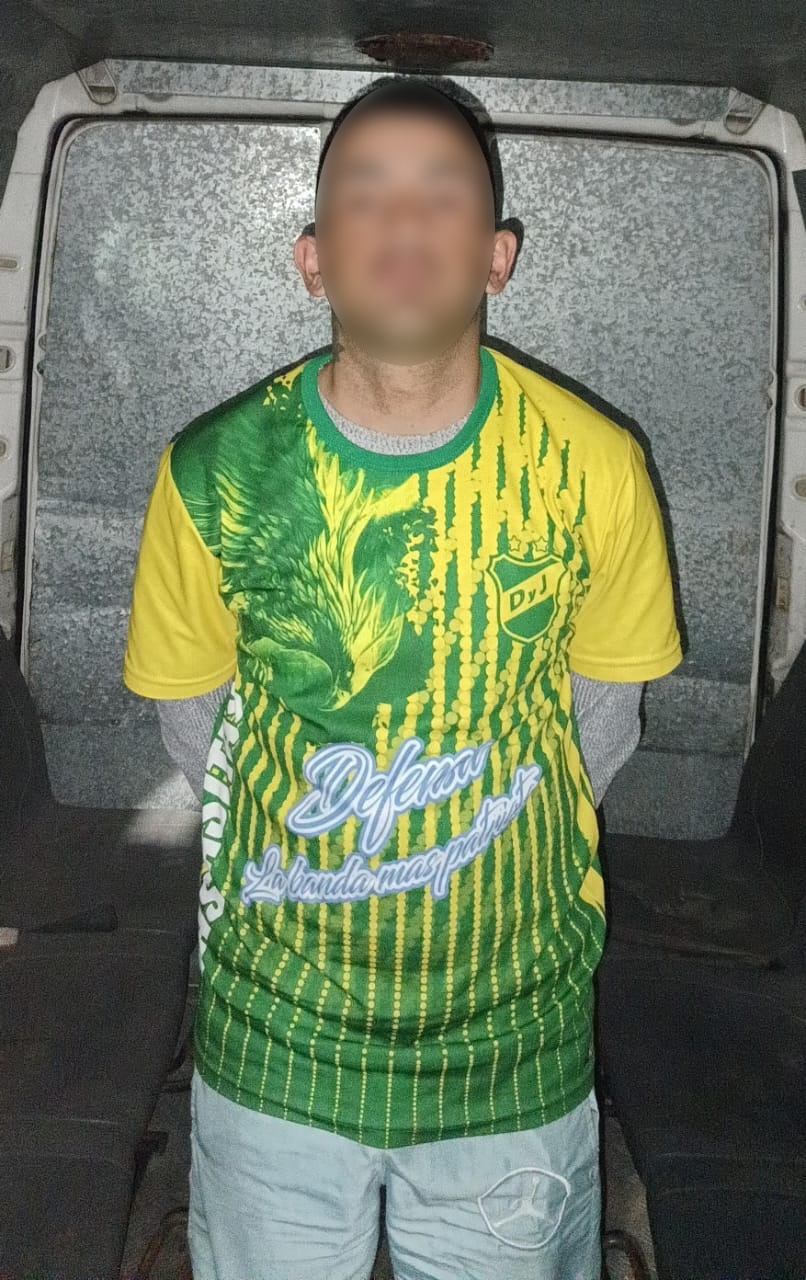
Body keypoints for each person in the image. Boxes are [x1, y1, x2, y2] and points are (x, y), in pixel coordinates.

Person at [122, 75, 682, 1280]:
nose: (404, 222)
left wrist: (457, 849)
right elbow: (198, 733)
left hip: (511, 1044)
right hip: (275, 1035)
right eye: (365, 194)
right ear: (312, 259)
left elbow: (598, 729)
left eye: (441, 193)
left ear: (496, 256)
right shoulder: (211, 471)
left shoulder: (594, 465)